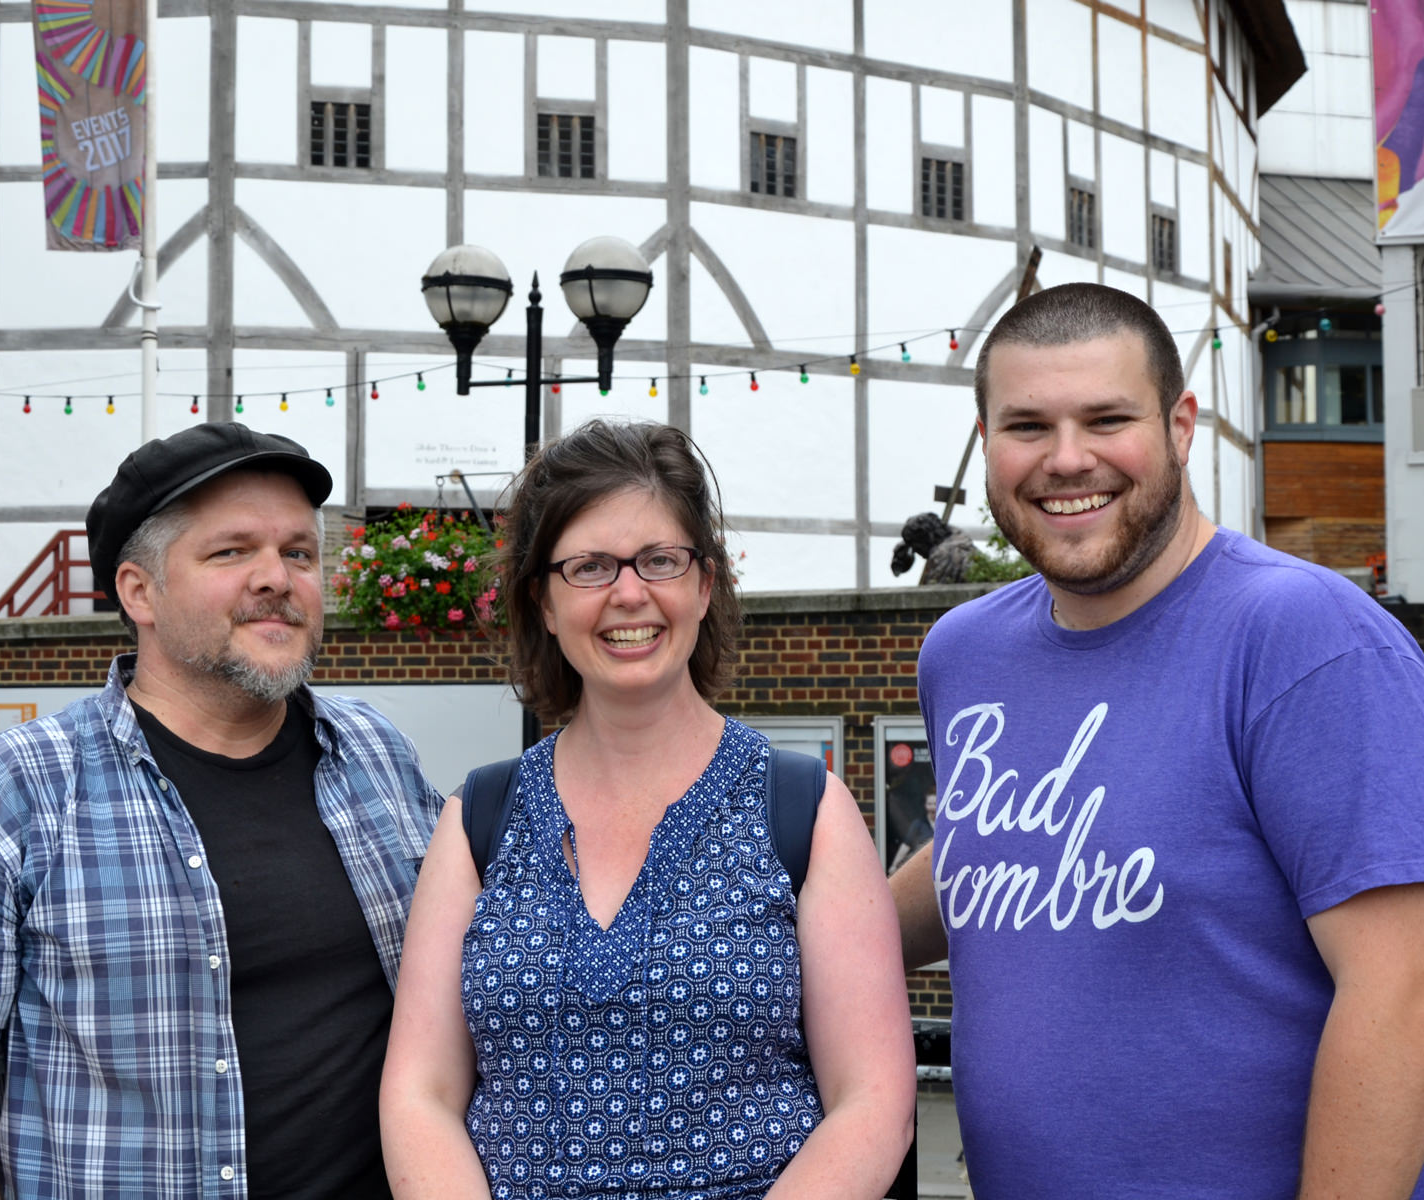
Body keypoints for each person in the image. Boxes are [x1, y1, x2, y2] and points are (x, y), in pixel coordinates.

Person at [889, 282, 1424, 1199]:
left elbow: (1402, 989)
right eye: (1026, 427)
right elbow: (1004, 856)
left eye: (1107, 418)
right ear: (986, 444)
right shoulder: (963, 654)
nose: (1067, 459)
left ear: (1181, 425)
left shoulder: (1305, 637)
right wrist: (748, 935)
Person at [379, 419, 916, 1199]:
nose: (629, 593)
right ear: (544, 601)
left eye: (660, 560)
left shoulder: (800, 809)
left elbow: (872, 1103)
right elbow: (419, 1095)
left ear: (704, 583)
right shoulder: (479, 819)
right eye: (590, 566)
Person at [0, 422, 444, 1199]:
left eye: (298, 552)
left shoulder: (379, 757)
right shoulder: (1, 797)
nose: (277, 577)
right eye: (232, 551)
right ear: (140, 592)